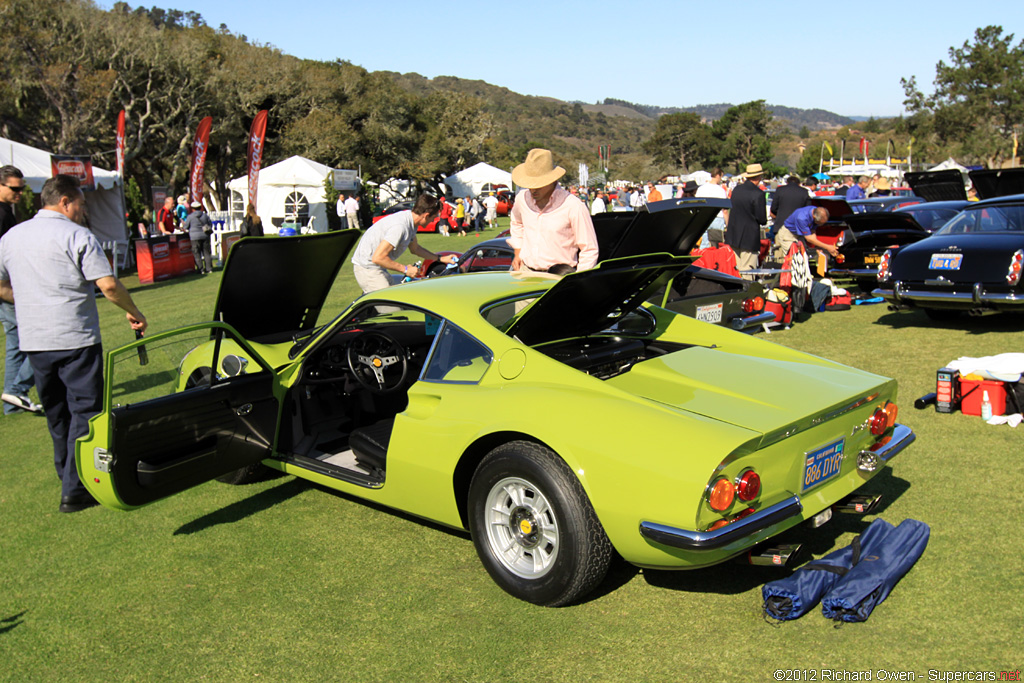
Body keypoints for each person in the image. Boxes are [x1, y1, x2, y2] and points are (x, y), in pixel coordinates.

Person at [0, 174, 147, 512]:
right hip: (74, 335)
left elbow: (2, 283)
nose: (83, 212)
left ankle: (66, 474)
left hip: (35, 339)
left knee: (57, 412)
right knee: (86, 410)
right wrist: (134, 312)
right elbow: (109, 286)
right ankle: (76, 488)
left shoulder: (12, 237)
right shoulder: (77, 235)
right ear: (65, 202)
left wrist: (23, 301)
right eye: (80, 205)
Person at [508, 148, 599, 274]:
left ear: (552, 180)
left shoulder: (573, 206)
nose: (533, 189)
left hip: (558, 276)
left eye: (539, 184)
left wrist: (576, 280)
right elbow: (517, 223)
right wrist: (518, 251)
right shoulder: (522, 199)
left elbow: (589, 249)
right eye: (530, 184)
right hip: (526, 272)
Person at [350, 194, 456, 293]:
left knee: (410, 290)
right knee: (393, 310)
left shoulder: (411, 222)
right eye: (433, 218)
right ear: (426, 215)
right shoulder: (400, 227)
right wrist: (405, 269)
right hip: (368, 269)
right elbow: (378, 257)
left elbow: (416, 249)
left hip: (378, 268)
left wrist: (441, 258)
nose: (433, 221)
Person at [0, 165, 41, 415]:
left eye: (22, 188)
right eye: (14, 188)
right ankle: (16, 391)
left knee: (16, 343)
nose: (20, 193)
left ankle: (11, 401)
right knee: (40, 339)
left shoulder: (7, 211)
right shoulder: (2, 214)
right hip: (8, 287)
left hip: (8, 286)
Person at [724, 163, 768, 274]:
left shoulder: (737, 190)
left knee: (735, 269)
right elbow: (761, 218)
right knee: (748, 270)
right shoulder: (758, 194)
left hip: (734, 233)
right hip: (749, 236)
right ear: (758, 178)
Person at [695, 168, 729, 249]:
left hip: (704, 217)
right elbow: (725, 210)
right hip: (717, 217)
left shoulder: (701, 188)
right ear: (717, 176)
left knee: (704, 243)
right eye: (721, 176)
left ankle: (703, 260)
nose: (721, 179)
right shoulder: (720, 190)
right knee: (717, 244)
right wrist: (728, 224)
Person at [770, 176, 811, 240]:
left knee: (779, 248)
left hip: (781, 224)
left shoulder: (780, 190)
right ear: (799, 183)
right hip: (797, 226)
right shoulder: (804, 192)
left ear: (787, 182)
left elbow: (773, 208)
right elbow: (807, 210)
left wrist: (778, 214)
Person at [183, 200, 214, 274]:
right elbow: (210, 224)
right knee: (206, 253)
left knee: (197, 253)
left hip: (194, 237)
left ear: (193, 208)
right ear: (200, 208)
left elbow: (186, 227)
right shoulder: (205, 215)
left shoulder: (190, 217)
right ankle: (209, 269)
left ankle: (200, 269)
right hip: (205, 236)